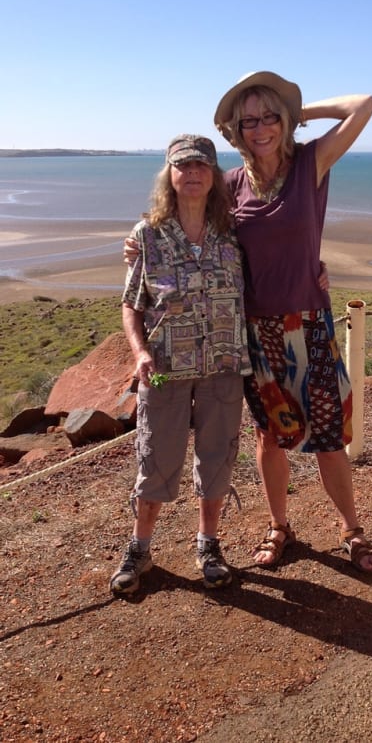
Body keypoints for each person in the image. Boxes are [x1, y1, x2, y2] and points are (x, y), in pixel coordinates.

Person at [213, 71, 372, 573]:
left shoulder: (311, 162)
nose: (260, 128)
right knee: (268, 437)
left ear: (283, 122)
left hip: (309, 323)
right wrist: (141, 243)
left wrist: (299, 114)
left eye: (269, 117)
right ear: (237, 131)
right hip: (256, 331)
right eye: (249, 120)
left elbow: (364, 104)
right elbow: (188, 226)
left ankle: (352, 529)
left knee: (328, 438)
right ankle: (279, 527)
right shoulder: (228, 186)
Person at [110, 134, 251, 596]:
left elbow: (277, 263)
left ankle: (208, 545)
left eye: (202, 167)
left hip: (222, 367)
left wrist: (319, 266)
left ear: (214, 177)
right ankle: (140, 548)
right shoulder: (147, 236)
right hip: (166, 369)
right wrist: (140, 352)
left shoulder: (234, 233)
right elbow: (131, 304)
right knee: (155, 459)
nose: (192, 174)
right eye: (182, 166)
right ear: (169, 176)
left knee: (217, 458)